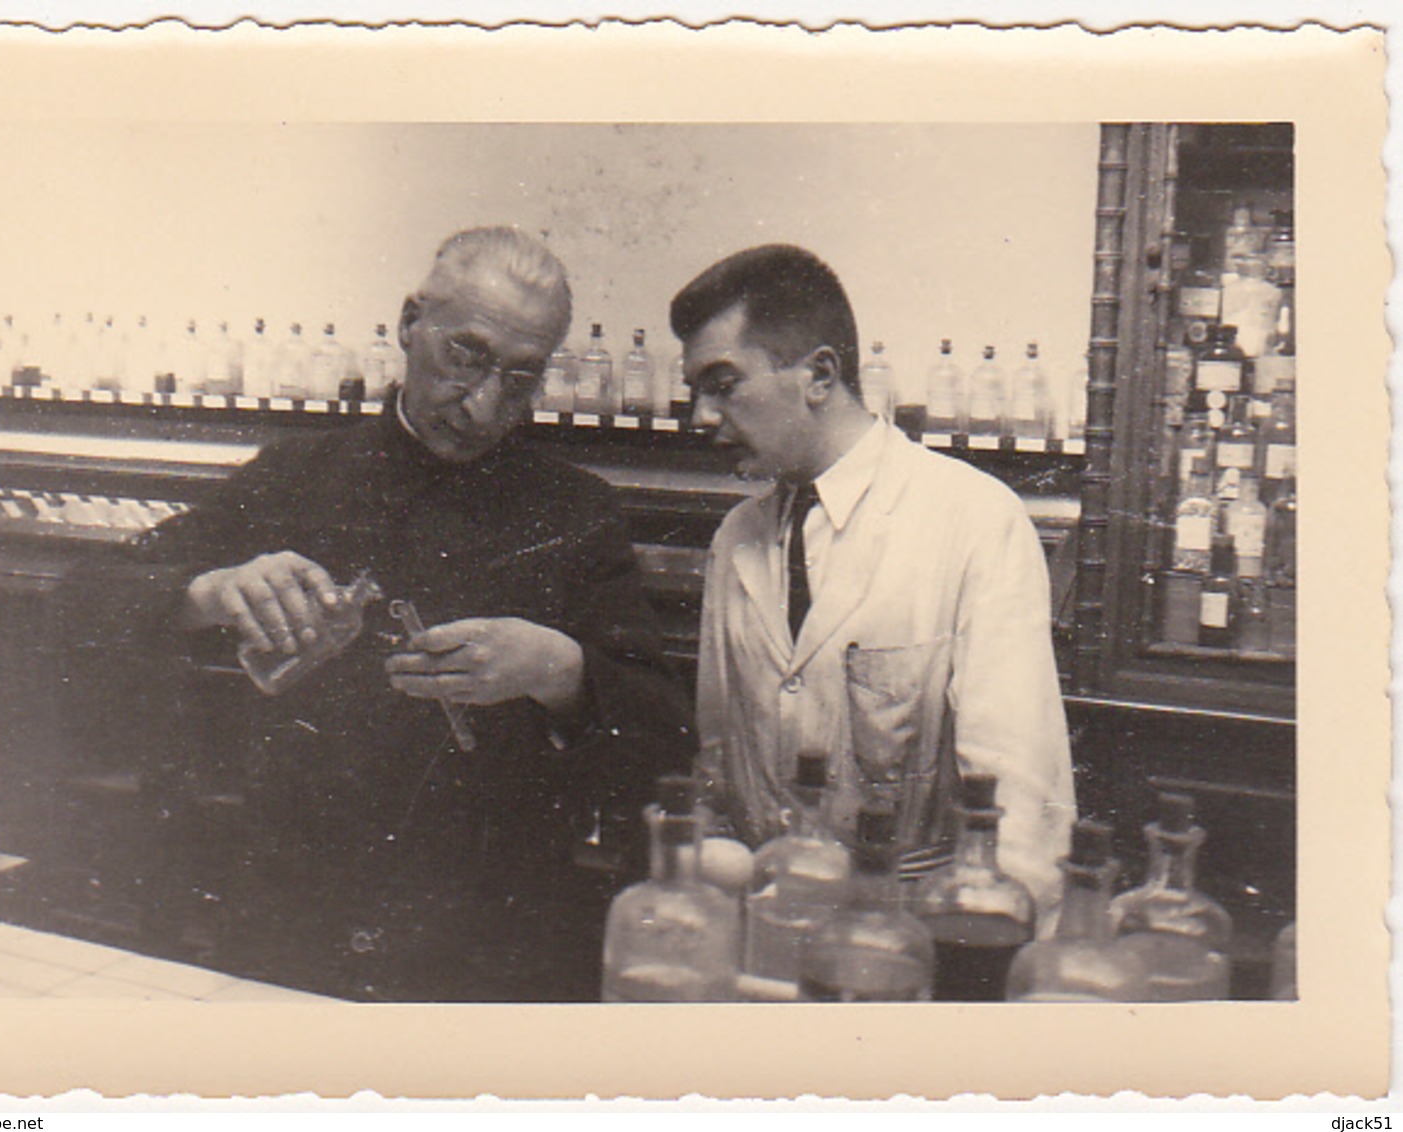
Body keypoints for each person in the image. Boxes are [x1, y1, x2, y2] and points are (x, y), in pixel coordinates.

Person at [58, 227, 692, 1001]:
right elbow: (78, 605)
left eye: (521, 379)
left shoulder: (577, 511)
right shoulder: (293, 477)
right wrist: (211, 592)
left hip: (489, 944)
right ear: (408, 324)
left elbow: (664, 735)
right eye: (465, 356)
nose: (485, 404)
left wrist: (559, 669)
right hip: (292, 921)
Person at [670, 244, 1076, 916]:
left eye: (721, 385)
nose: (701, 418)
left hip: (912, 936)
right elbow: (716, 765)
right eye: (695, 392)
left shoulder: (971, 520)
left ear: (820, 375)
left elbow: (1018, 808)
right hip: (764, 928)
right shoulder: (736, 537)